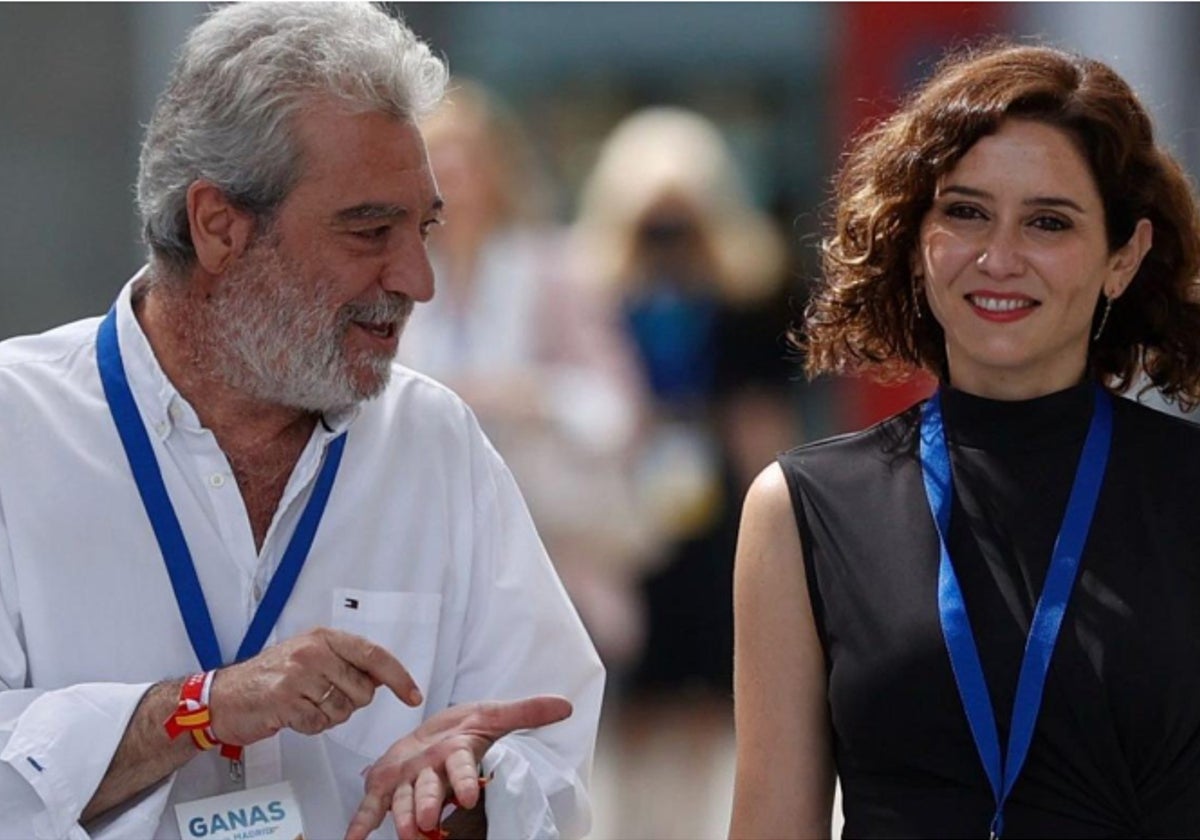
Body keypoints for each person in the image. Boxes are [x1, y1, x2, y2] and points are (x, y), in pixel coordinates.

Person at [0, 4, 604, 840]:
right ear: (218, 227)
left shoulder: (432, 441)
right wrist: (196, 711)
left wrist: (468, 795)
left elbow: (548, 742)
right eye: (370, 231)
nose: (418, 280)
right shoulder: (15, 428)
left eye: (423, 227)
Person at [730, 41, 1200, 838]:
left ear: (1124, 258)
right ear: (916, 241)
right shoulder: (801, 511)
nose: (999, 257)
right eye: (965, 212)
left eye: (1048, 222)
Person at [401, 81, 655, 672]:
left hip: (550, 549)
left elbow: (617, 409)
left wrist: (530, 393)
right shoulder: (395, 276)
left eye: (465, 166)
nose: (452, 186)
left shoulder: (553, 270)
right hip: (429, 556)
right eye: (437, 169)